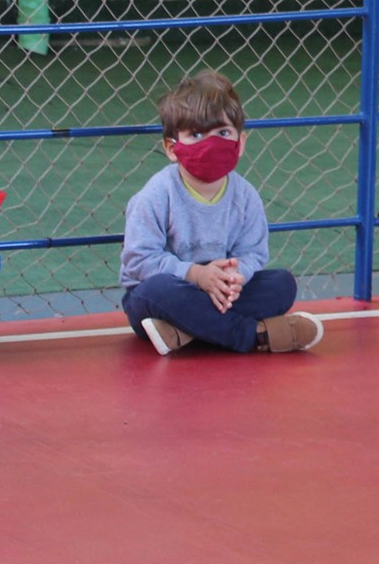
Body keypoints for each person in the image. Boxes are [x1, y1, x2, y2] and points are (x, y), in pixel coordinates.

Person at [120, 70, 323, 355]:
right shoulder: (156, 194)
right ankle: (254, 336)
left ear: (240, 143)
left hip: (223, 294)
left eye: (223, 133)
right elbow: (137, 261)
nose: (211, 143)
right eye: (196, 134)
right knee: (156, 292)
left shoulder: (245, 195)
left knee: (281, 285)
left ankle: (185, 331)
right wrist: (195, 274)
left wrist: (236, 276)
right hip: (170, 293)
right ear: (171, 148)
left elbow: (253, 254)